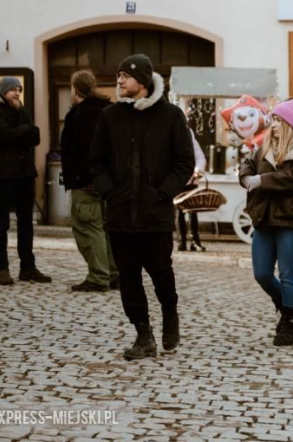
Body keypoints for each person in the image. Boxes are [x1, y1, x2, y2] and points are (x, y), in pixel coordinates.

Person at [89, 54, 194, 360]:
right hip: (120, 215)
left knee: (161, 273)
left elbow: (184, 162)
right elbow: (96, 162)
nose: (119, 80)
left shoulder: (171, 116)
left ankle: (170, 310)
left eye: (125, 75)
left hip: (155, 214)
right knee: (129, 277)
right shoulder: (110, 116)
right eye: (118, 75)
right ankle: (143, 334)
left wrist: (162, 193)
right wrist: (110, 192)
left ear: (144, 81)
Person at [239, 98, 293, 346]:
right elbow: (248, 164)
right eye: (272, 120)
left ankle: (289, 323)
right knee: (261, 273)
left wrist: (263, 180)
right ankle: (289, 308)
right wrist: (246, 177)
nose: (272, 125)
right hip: (264, 217)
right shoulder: (265, 146)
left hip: (291, 219)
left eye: (277, 121)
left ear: (289, 124)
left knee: (287, 273)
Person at [0, 76, 50, 286]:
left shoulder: (20, 108)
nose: (17, 94)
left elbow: (36, 136)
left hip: (24, 173)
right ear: (4, 91)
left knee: (25, 223)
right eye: (14, 90)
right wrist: (23, 131)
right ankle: (1, 268)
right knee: (1, 222)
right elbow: (5, 136)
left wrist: (21, 132)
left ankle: (27, 267)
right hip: (4, 173)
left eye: (19, 90)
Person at [61, 70, 119, 292]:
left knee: (87, 228)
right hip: (105, 183)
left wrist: (85, 178)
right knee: (104, 229)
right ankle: (113, 274)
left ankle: (98, 276)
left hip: (85, 182)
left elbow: (83, 151)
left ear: (75, 89)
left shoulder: (79, 115)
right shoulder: (108, 110)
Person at [177, 122, 207, 252]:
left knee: (193, 211)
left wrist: (198, 170)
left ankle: (195, 241)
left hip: (191, 179)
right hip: (177, 180)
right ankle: (181, 241)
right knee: (179, 212)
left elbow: (200, 156)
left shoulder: (189, 135)